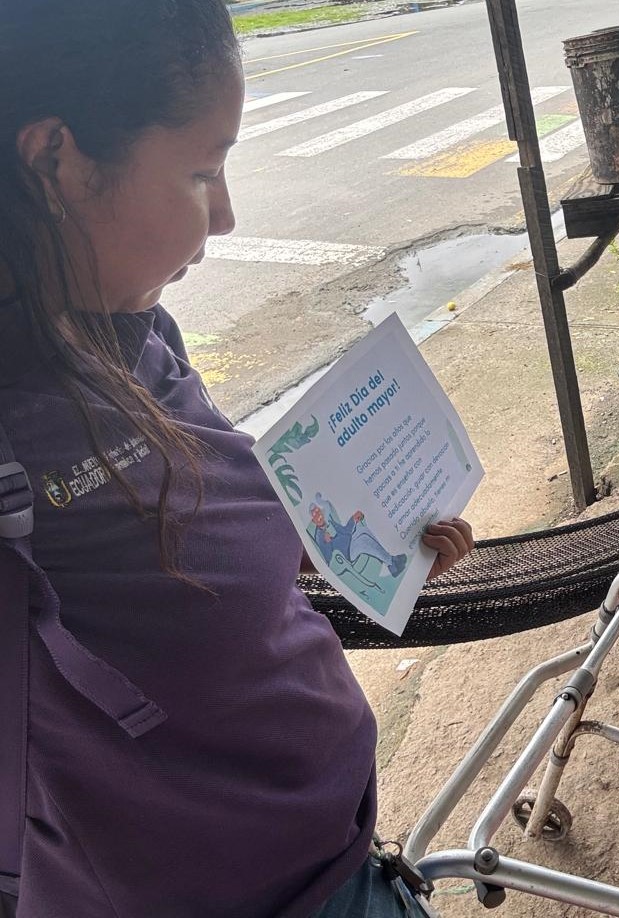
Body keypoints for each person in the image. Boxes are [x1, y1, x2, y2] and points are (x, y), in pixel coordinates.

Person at [0, 2, 474, 915]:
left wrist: (353, 542)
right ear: (56, 158)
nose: (224, 216)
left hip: (330, 844)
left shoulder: (124, 323)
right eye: (201, 171)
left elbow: (196, 543)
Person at [309, 495, 409, 579]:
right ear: (313, 520)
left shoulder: (330, 522)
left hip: (351, 542)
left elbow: (346, 532)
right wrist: (328, 543)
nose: (318, 515)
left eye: (318, 511)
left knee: (363, 529)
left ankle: (392, 562)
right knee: (363, 538)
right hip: (347, 554)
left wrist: (353, 519)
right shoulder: (319, 535)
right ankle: (392, 562)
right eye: (314, 514)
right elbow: (327, 559)